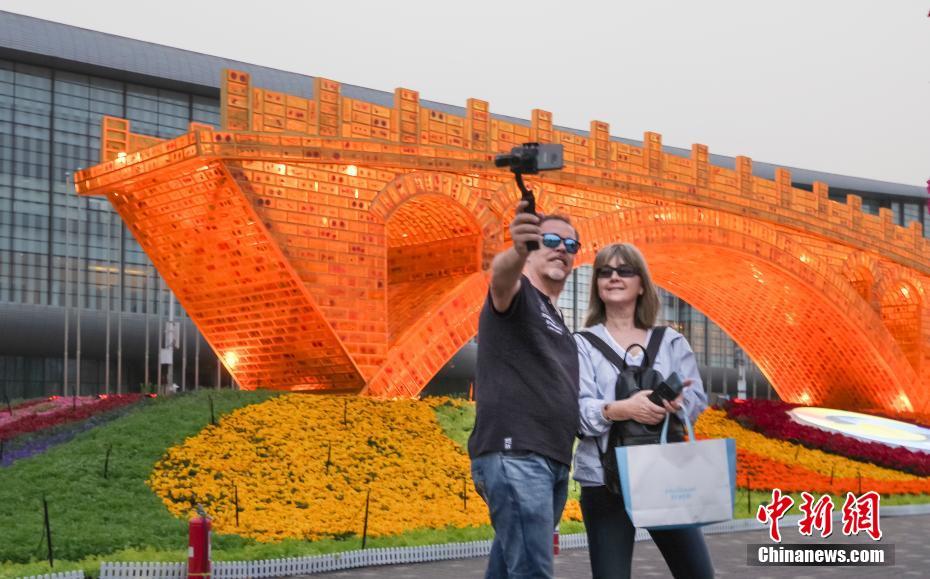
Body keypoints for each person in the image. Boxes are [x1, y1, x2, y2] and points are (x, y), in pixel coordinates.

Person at [573, 242, 713, 579]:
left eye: (625, 270)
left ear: (641, 284)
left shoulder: (671, 341)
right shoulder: (581, 344)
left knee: (697, 572)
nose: (614, 277)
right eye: (605, 272)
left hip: (665, 475)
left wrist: (678, 404)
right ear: (597, 285)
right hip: (605, 480)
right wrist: (621, 409)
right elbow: (576, 410)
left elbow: (696, 398)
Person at [468, 201, 581, 579]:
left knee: (509, 570)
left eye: (570, 245)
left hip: (550, 460)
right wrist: (516, 251)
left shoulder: (559, 321)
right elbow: (501, 278)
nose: (561, 248)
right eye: (550, 240)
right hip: (518, 454)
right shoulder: (518, 296)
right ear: (531, 249)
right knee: (532, 572)